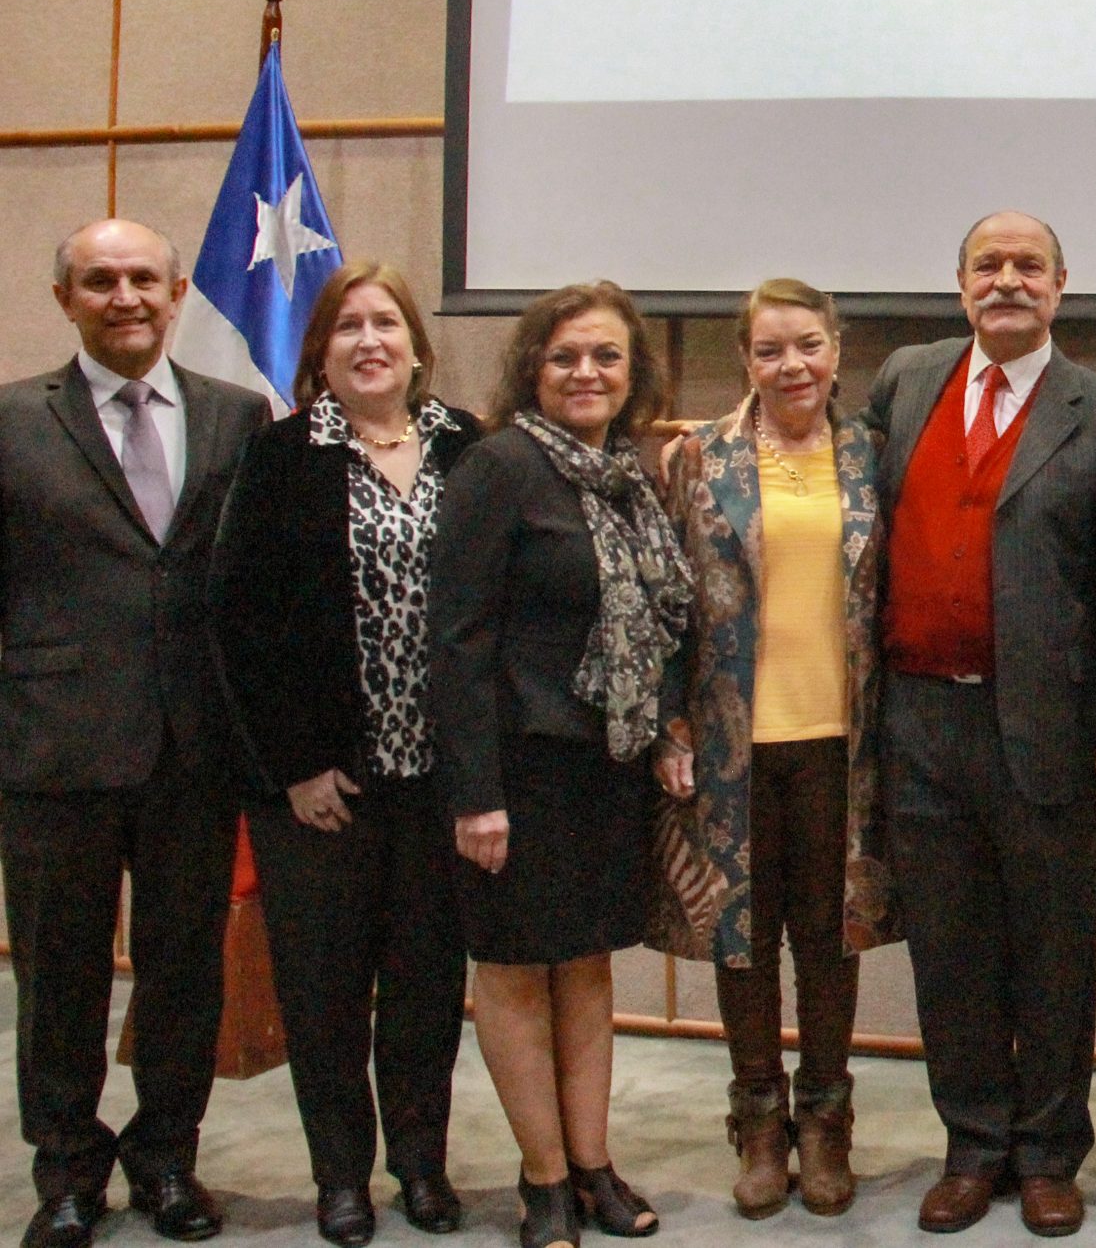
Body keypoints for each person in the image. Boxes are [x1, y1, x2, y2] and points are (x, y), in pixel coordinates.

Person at [862, 213, 1096, 1238]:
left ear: (1060, 286)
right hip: (917, 721)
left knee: (1053, 952)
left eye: (1029, 266)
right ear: (960, 286)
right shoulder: (906, 381)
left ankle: (1047, 1153)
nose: (1007, 281)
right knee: (948, 952)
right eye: (987, 265)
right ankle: (973, 1145)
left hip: (1049, 729)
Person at [0, 221, 267, 1248]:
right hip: (53, 750)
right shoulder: (14, 420)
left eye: (143, 279)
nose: (125, 297)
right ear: (64, 298)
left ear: (177, 291)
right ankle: (67, 1172)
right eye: (100, 281)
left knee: (183, 975)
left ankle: (167, 1160)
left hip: (193, 751)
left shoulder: (237, 415)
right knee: (58, 979)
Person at [212, 264, 479, 1247]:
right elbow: (240, 620)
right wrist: (296, 763)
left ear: (415, 344)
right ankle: (340, 1176)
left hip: (438, 784)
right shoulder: (283, 455)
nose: (370, 340)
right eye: (348, 326)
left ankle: (421, 1164)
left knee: (425, 989)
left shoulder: (466, 446)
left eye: (386, 323)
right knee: (323, 995)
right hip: (323, 787)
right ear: (320, 352)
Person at [428, 282, 692, 1248]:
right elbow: (455, 639)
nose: (587, 372)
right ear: (533, 369)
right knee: (510, 971)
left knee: (585, 968)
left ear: (633, 372)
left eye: (606, 356)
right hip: (515, 773)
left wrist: (665, 730)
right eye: (566, 356)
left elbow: (661, 623)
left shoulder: (627, 473)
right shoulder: (498, 467)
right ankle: (541, 1178)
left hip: (604, 768)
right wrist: (475, 795)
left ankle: (592, 1163)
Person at [651, 279, 897, 1222]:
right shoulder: (697, 457)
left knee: (830, 936)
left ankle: (826, 1117)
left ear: (837, 349)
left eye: (808, 345)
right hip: (730, 745)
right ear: (746, 359)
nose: (791, 365)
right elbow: (668, 601)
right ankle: (758, 1119)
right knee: (742, 938)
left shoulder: (872, 453)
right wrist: (670, 721)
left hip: (843, 738)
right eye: (769, 349)